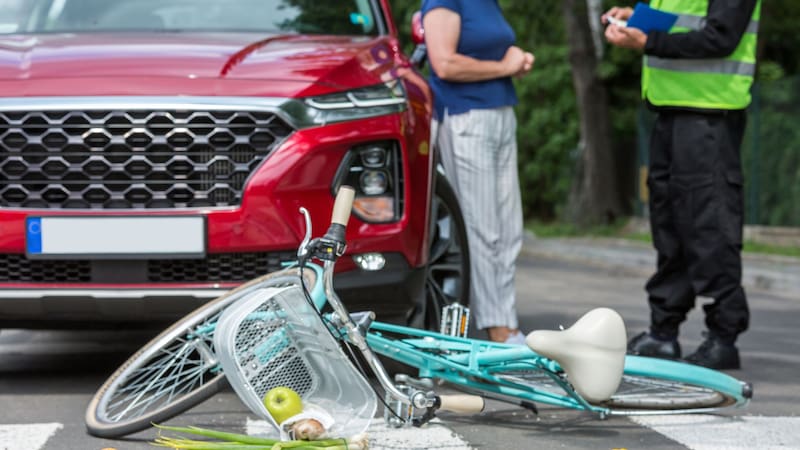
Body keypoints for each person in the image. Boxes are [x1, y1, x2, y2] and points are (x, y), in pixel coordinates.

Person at [603, 0, 760, 369]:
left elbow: (720, 36)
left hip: (710, 115)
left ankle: (724, 337)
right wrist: (636, 19)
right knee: (670, 225)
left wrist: (647, 42)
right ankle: (663, 333)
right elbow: (680, 21)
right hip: (670, 108)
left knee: (709, 225)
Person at [421, 0, 534, 344]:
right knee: (482, 228)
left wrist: (516, 62)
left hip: (500, 113)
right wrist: (504, 66)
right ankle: (498, 329)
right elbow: (444, 64)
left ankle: (507, 322)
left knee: (509, 229)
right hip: (465, 117)